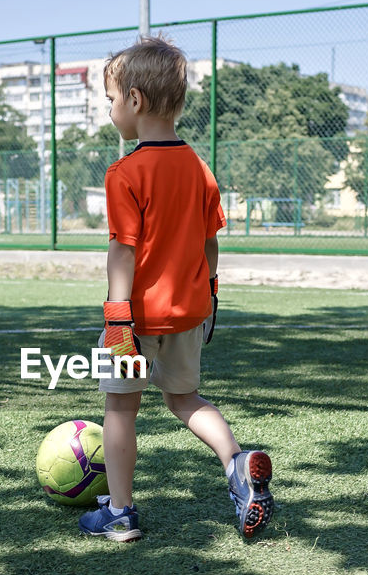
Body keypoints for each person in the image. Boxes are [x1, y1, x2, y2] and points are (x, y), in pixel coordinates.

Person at [78, 36, 273, 543]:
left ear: (136, 101)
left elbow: (124, 249)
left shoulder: (125, 173)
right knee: (185, 398)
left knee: (120, 409)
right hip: (189, 314)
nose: (111, 110)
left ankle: (119, 513)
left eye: (111, 100)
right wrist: (210, 297)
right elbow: (210, 244)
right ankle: (236, 464)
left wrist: (118, 317)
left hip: (136, 320)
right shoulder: (200, 170)